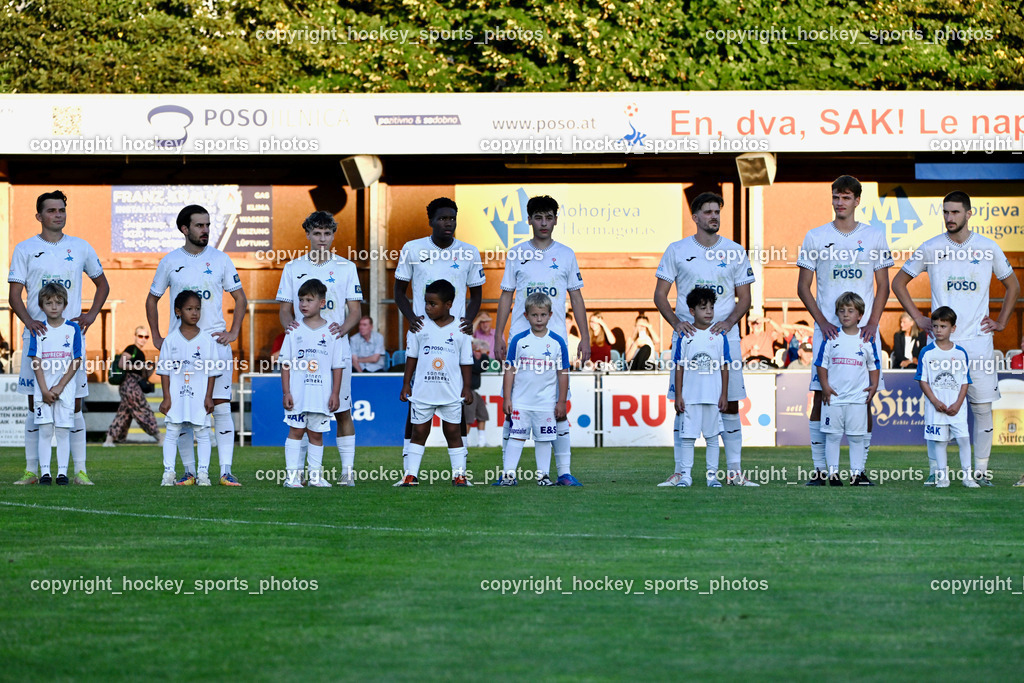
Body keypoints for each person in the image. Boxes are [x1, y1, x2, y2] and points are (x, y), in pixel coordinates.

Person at [892, 190, 1019, 485]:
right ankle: (937, 472)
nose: (949, 218)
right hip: (939, 345)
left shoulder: (987, 248)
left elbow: (1013, 287)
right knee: (936, 407)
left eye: (955, 212)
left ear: (969, 214)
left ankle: (980, 472)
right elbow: (899, 282)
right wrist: (918, 317)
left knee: (982, 407)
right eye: (946, 212)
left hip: (977, 342)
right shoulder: (931, 247)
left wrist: (1001, 322)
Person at [654, 191, 756, 488]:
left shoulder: (735, 251)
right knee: (682, 402)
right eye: (708, 212)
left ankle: (734, 472)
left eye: (717, 211)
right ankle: (679, 471)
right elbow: (660, 295)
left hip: (725, 339)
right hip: (687, 340)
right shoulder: (677, 249)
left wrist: (728, 322)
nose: (714, 216)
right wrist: (676, 322)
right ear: (695, 217)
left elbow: (745, 298)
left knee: (731, 402)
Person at [797, 176, 893, 486]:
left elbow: (883, 286)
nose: (841, 202)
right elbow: (803, 287)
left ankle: (859, 471)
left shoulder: (874, 236)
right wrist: (823, 322)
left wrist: (874, 323)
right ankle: (820, 469)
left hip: (864, 332)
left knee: (862, 398)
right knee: (819, 397)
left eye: (847, 197)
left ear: (857, 201)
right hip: (828, 334)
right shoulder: (815, 236)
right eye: (836, 197)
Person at [10, 190, 109, 485]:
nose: (58, 215)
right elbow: (14, 294)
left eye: (62, 210)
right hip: (37, 339)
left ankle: (79, 470)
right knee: (34, 404)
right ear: (39, 216)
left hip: (69, 338)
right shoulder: (25, 248)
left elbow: (102, 284)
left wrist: (90, 316)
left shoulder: (80, 247)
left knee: (74, 404)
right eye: (52, 210)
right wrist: (29, 322)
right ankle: (32, 470)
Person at [147, 204, 247, 486]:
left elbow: (240, 299)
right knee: (181, 411)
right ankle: (189, 472)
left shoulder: (221, 259)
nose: (205, 230)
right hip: (180, 346)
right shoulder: (169, 261)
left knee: (221, 406)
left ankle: (225, 471)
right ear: (184, 229)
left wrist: (233, 331)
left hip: (215, 343)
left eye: (207, 225)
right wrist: (157, 335)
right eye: (199, 225)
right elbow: (151, 298)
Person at [494, 195, 589, 486]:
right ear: (530, 220)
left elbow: (576, 296)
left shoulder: (567, 254)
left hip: (555, 342)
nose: (544, 223)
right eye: (538, 217)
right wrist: (499, 333)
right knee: (513, 408)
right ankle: (507, 473)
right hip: (521, 343)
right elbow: (507, 295)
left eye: (549, 217)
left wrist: (584, 337)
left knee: (557, 408)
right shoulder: (516, 253)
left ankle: (563, 472)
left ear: (556, 220)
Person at [394, 197, 484, 480]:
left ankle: (461, 467)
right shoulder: (413, 249)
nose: (449, 223)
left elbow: (477, 294)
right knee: (417, 400)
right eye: (443, 218)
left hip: (455, 336)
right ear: (431, 221)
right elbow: (399, 291)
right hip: (422, 333)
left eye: (452, 218)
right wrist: (412, 317)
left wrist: (467, 320)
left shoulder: (469, 252)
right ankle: (409, 468)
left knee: (458, 399)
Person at [277, 211, 362, 485]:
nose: (322, 239)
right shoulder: (292, 268)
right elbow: (284, 310)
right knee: (302, 409)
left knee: (342, 409)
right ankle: (299, 475)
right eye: (317, 233)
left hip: (334, 349)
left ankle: (347, 472)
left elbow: (355, 311)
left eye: (327, 234)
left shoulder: (347, 267)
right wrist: (294, 331)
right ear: (308, 235)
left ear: (334, 235)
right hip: (303, 350)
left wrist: (341, 331)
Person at [398, 279, 473, 487]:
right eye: (426, 303)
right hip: (423, 391)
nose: (428, 308)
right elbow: (411, 356)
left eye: (433, 304)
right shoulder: (418, 327)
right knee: (419, 431)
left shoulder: (461, 328)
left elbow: (466, 360)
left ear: (448, 304)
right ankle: (411, 475)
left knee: (453, 432)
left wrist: (467, 387)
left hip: (450, 392)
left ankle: (459, 475)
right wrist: (406, 384)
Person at [495, 292, 569, 487]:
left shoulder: (557, 342)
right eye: (535, 315)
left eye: (543, 315)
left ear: (550, 315)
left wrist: (561, 401)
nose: (539, 319)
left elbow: (563, 373)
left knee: (544, 439)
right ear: (526, 315)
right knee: (516, 437)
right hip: (520, 401)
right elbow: (509, 369)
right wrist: (507, 398)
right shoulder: (518, 341)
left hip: (545, 403)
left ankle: (543, 476)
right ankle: (508, 475)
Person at [279, 279, 345, 488]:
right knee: (296, 431)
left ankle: (315, 477)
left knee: (316, 434)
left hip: (321, 395)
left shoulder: (333, 333)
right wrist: (286, 392)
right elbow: (285, 364)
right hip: (298, 394)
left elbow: (337, 366)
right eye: (301, 300)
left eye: (309, 299)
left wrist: (335, 394)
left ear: (322, 303)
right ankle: (292, 477)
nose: (304, 304)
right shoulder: (293, 330)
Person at [664, 287, 732, 488]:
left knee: (712, 438)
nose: (709, 312)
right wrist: (678, 396)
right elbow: (679, 367)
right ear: (692, 311)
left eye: (711, 307)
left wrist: (724, 395)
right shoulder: (686, 336)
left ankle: (712, 477)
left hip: (712, 397)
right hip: (690, 397)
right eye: (703, 308)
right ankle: (685, 476)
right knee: (687, 438)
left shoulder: (719, 335)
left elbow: (725, 366)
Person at [814, 292, 881, 486]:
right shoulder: (831, 337)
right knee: (833, 436)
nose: (846, 314)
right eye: (842, 311)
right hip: (833, 398)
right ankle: (833, 475)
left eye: (851, 311)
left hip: (857, 399)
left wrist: (874, 385)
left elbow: (873, 365)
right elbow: (821, 364)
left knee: (856, 437)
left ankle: (856, 474)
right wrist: (825, 386)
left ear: (860, 315)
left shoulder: (866, 339)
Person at [156, 291, 222, 486]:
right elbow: (165, 371)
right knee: (172, 431)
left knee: (202, 433)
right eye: (189, 309)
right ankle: (168, 473)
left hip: (199, 396)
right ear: (178, 311)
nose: (194, 313)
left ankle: (203, 474)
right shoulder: (170, 340)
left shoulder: (207, 340)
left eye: (198, 309)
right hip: (177, 396)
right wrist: (166, 397)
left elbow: (212, 372)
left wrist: (209, 396)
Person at [27, 283, 83, 485]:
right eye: (48, 303)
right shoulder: (38, 329)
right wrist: (43, 390)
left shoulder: (73, 328)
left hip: (64, 390)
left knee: (62, 431)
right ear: (41, 305)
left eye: (58, 302)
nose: (53, 306)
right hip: (42, 390)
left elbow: (76, 360)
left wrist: (59, 387)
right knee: (44, 431)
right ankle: (44, 474)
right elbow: (36, 360)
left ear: (64, 304)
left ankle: (61, 473)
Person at [916, 307, 977, 489]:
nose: (938, 330)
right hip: (936, 408)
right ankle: (943, 478)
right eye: (935, 326)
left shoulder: (960, 353)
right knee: (940, 442)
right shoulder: (926, 352)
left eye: (943, 326)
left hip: (957, 408)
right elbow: (922, 380)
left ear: (953, 328)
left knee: (964, 440)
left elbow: (965, 381)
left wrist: (958, 403)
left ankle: (968, 477)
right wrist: (935, 401)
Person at [103, 326, 162, 447]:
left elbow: (144, 375)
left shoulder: (141, 353)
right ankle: (159, 436)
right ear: (135, 336)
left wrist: (152, 366)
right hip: (130, 384)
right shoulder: (131, 349)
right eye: (140, 336)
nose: (143, 339)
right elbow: (122, 364)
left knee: (124, 413)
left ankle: (109, 440)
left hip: (134, 384)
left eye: (146, 336)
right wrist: (140, 367)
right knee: (142, 409)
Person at [463, 339, 491, 448]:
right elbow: (481, 367)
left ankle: (482, 441)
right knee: (468, 418)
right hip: (467, 390)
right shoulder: (465, 357)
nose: (474, 346)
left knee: (482, 414)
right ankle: (464, 442)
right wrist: (484, 355)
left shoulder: (470, 356)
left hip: (473, 390)